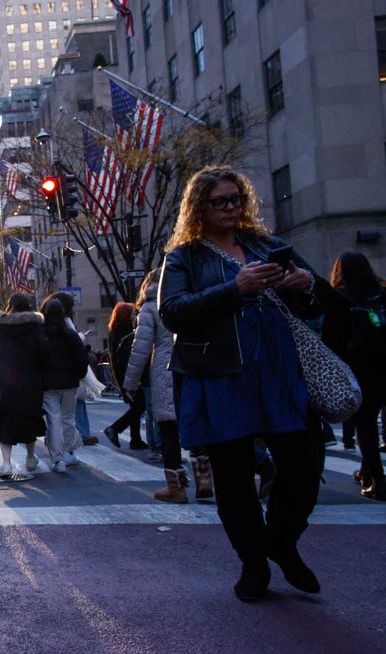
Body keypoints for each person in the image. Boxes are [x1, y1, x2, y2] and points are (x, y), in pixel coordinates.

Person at [159, 164, 323, 602]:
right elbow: (172, 311)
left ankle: (282, 542)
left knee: (304, 467)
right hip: (221, 374)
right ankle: (254, 564)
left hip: (279, 371)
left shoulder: (267, 244)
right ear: (200, 206)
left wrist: (305, 286)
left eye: (236, 199)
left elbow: (315, 304)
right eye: (220, 202)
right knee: (233, 481)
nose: (231, 208)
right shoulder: (184, 256)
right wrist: (236, 287)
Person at [122, 269, 199, 502]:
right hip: (194, 367)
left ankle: (176, 487)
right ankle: (205, 481)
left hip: (165, 370)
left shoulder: (149, 307)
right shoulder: (190, 299)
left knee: (169, 430)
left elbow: (141, 347)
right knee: (197, 426)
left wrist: (130, 382)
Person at [320, 252, 386, 500]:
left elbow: (331, 340)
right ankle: (367, 471)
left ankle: (376, 478)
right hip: (384, 365)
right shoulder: (382, 294)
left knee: (365, 425)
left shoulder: (341, 299)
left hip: (360, 370)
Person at [0, 293, 49, 476]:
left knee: (4, 422)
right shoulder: (35, 326)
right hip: (28, 380)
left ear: (10, 306)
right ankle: (31, 458)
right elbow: (43, 353)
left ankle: (6, 464)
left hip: (2, 381)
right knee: (29, 419)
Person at [40, 298, 88, 473]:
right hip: (69, 383)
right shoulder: (70, 334)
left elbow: (37, 359)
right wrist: (79, 375)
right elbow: (81, 358)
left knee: (54, 420)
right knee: (68, 418)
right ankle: (69, 453)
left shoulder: (41, 334)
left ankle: (57, 459)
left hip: (48, 385)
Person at [103, 302, 148, 450]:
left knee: (136, 405)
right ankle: (115, 428)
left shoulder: (114, 331)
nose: (135, 315)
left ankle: (135, 439)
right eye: (132, 312)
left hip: (121, 374)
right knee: (140, 404)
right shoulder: (127, 331)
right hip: (129, 374)